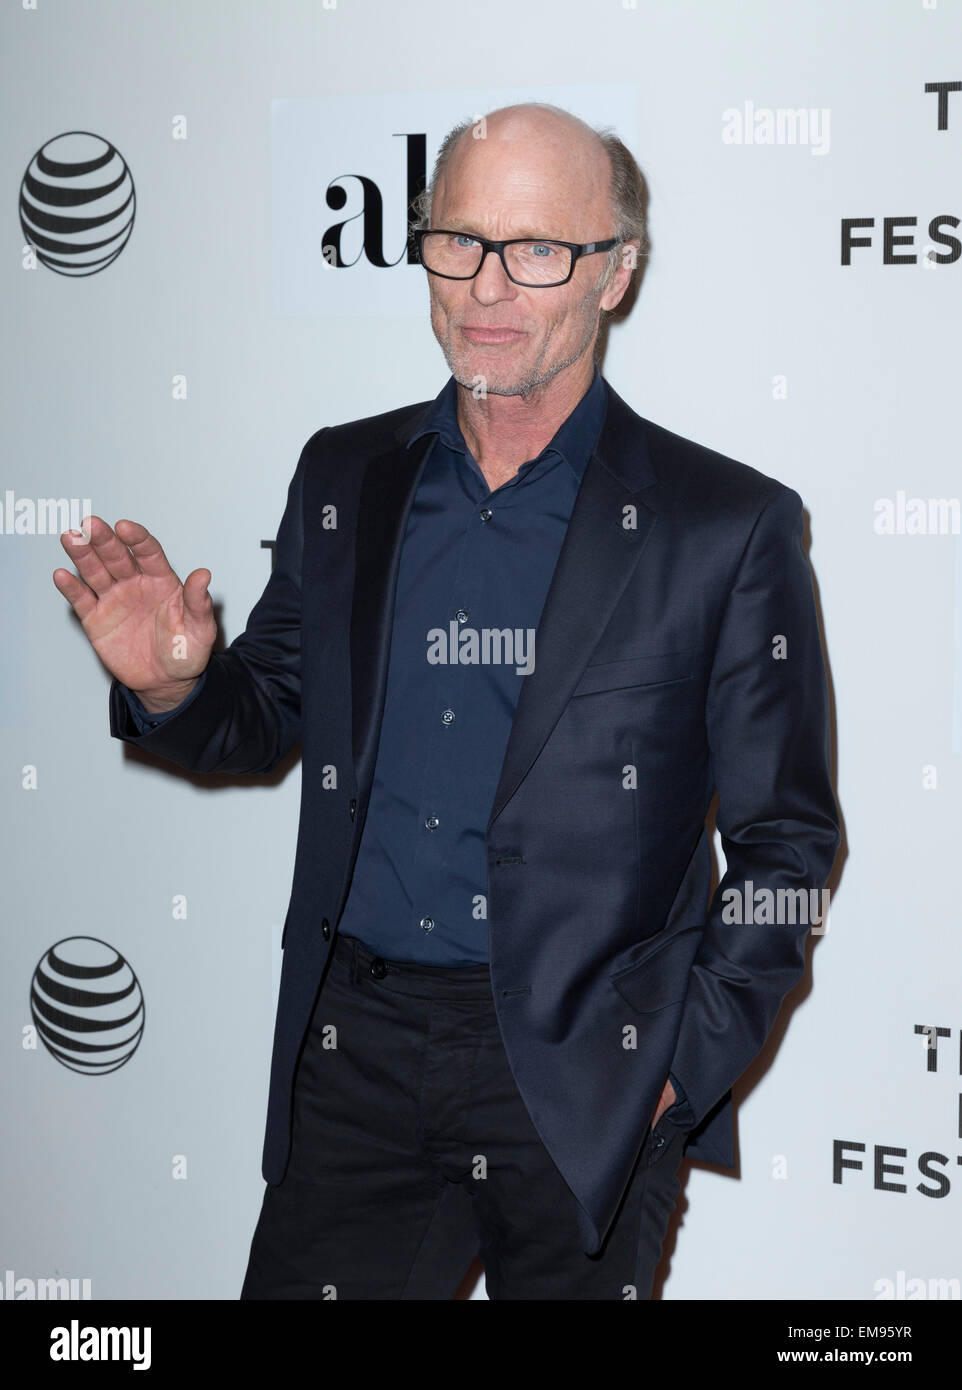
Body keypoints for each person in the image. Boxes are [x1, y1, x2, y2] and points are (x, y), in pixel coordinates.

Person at [53, 102, 840, 1300]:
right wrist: (178, 684)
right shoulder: (346, 474)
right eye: (456, 240)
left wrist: (680, 1061)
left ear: (614, 273)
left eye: (536, 250)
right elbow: (266, 712)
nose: (485, 285)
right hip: (354, 1051)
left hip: (584, 1070)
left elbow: (788, 837)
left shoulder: (721, 525)